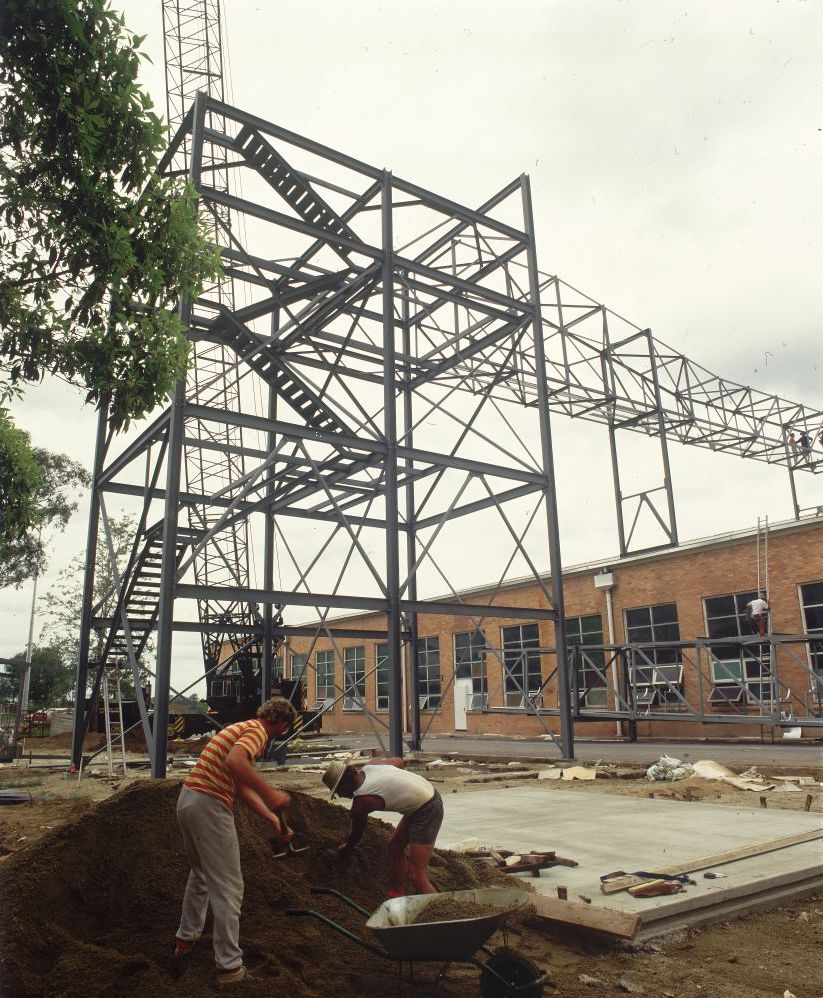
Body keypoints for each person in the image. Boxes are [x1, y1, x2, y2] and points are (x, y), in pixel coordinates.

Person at [174, 696, 296, 986]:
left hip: (189, 800)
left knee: (201, 875)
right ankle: (230, 968)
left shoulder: (239, 728)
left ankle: (185, 940)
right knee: (229, 887)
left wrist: (272, 819)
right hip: (210, 804)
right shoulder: (258, 732)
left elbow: (240, 784)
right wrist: (271, 793)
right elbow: (235, 761)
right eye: (285, 729)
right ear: (282, 724)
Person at [324, 756, 443, 898]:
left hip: (426, 810)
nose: (341, 795)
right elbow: (399, 761)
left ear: (344, 785)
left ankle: (444, 909)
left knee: (416, 875)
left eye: (338, 792)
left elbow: (356, 833)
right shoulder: (373, 765)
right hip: (425, 795)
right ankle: (397, 892)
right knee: (395, 846)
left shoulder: (362, 801)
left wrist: (346, 847)